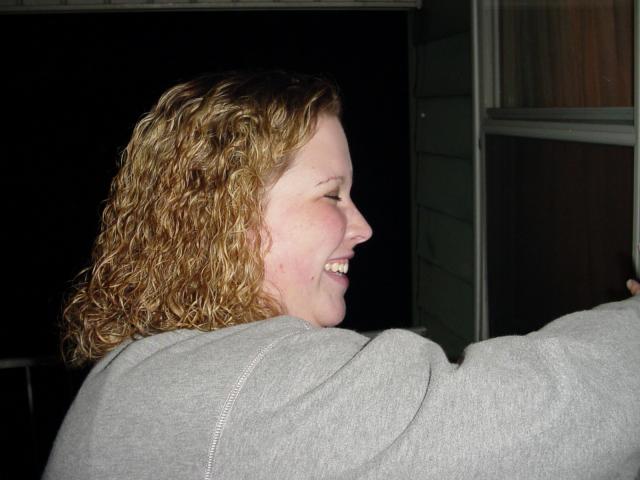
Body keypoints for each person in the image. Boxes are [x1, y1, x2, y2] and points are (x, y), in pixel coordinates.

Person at [44, 71, 640, 480]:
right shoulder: (248, 387)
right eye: (332, 195)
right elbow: (546, 416)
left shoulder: (141, 370)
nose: (363, 227)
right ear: (223, 213)